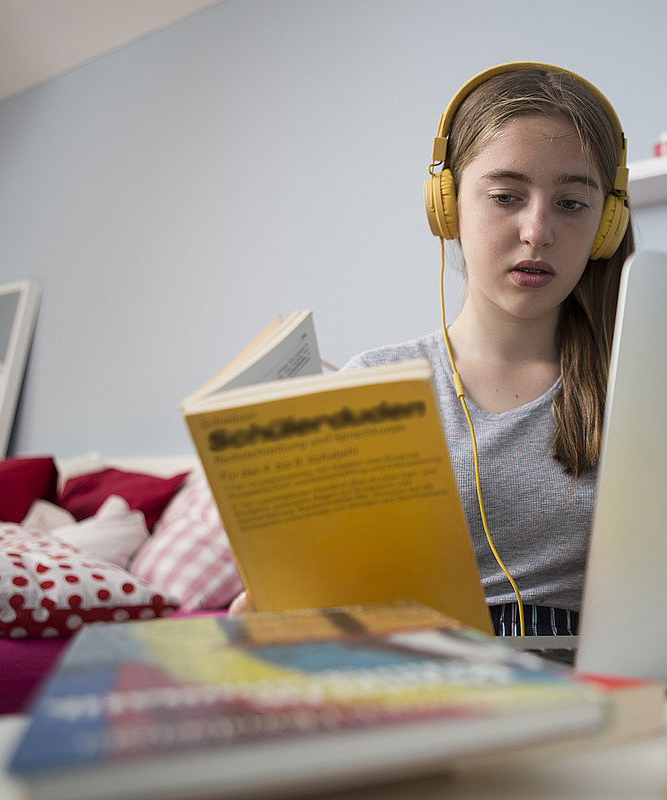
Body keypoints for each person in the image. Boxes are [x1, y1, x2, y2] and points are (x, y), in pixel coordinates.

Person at [232, 63, 635, 636]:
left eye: (572, 204)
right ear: (446, 206)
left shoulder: (636, 384)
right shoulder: (372, 381)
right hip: (415, 677)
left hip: (587, 683)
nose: (537, 230)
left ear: (606, 226)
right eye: (505, 195)